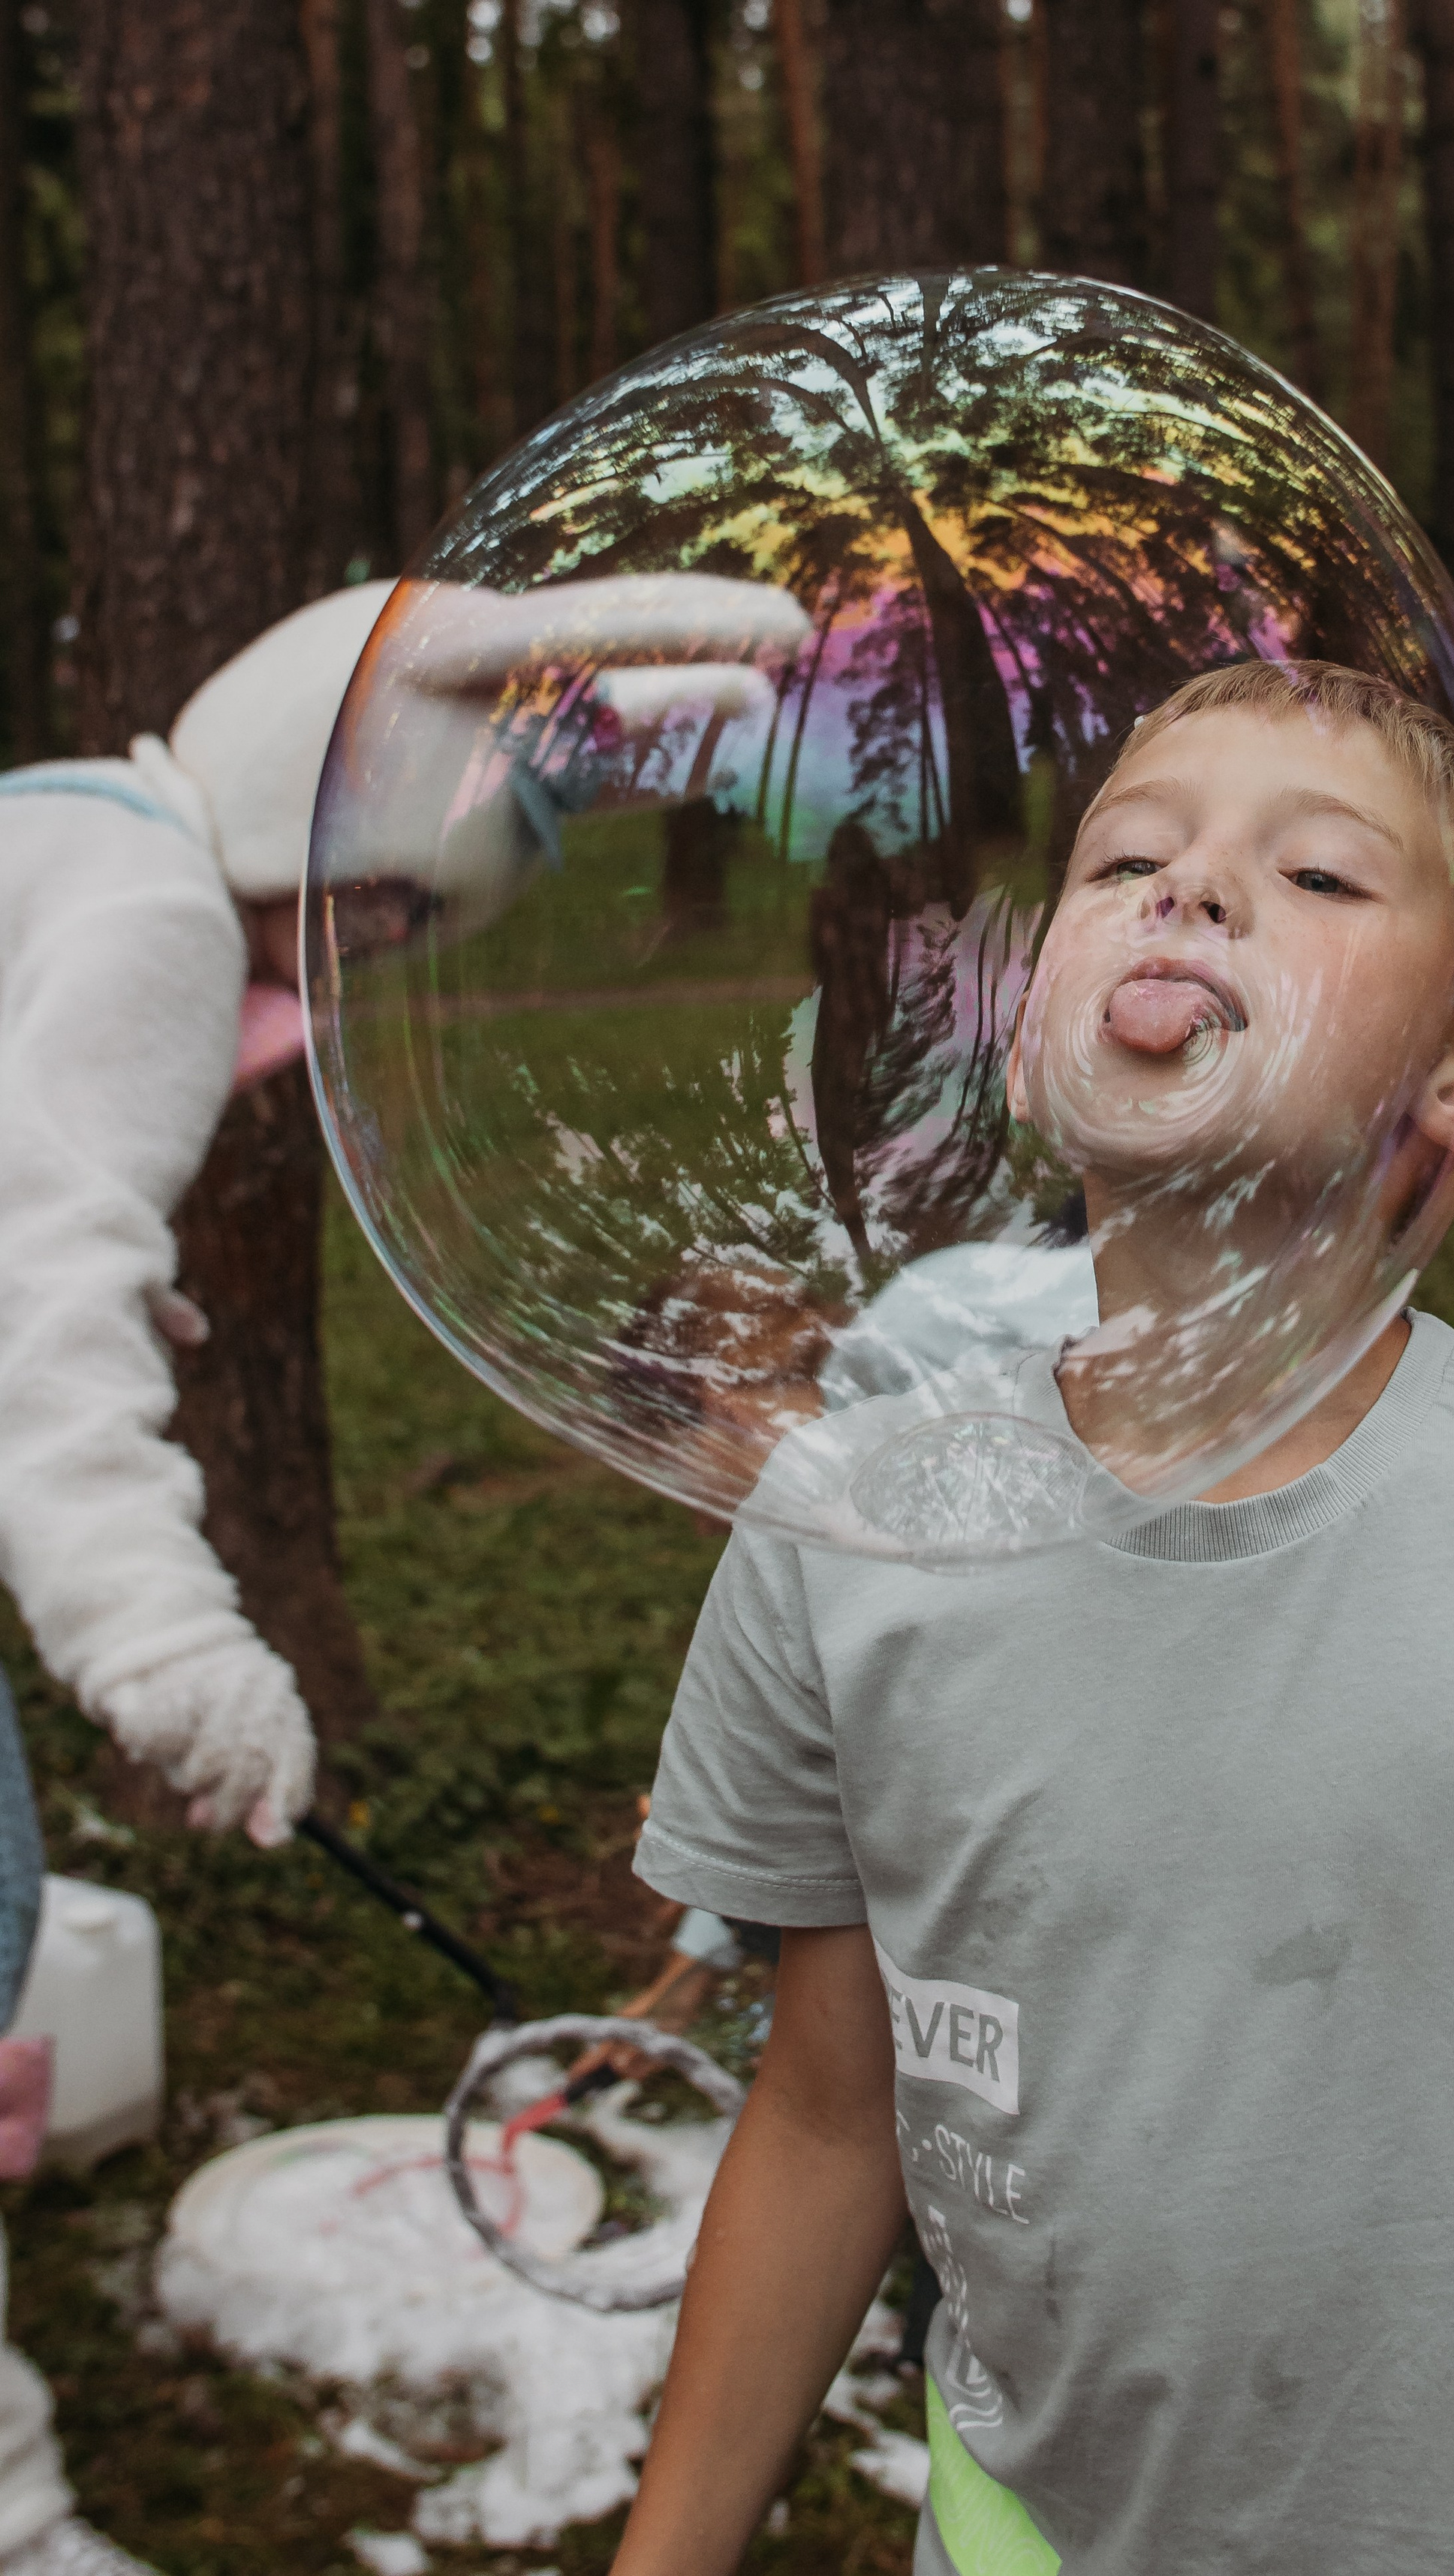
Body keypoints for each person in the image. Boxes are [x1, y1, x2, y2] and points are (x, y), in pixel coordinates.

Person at [616, 658, 1454, 2574]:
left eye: (1313, 877)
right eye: (1124, 856)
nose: (1188, 888)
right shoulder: (856, 1536)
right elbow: (829, 2114)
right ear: (1024, 1030)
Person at [0, 583, 396, 2576]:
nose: (385, 950)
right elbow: (34, 1305)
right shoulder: (168, 915)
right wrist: (166, 1643)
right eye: (391, 899)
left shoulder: (64, 817)